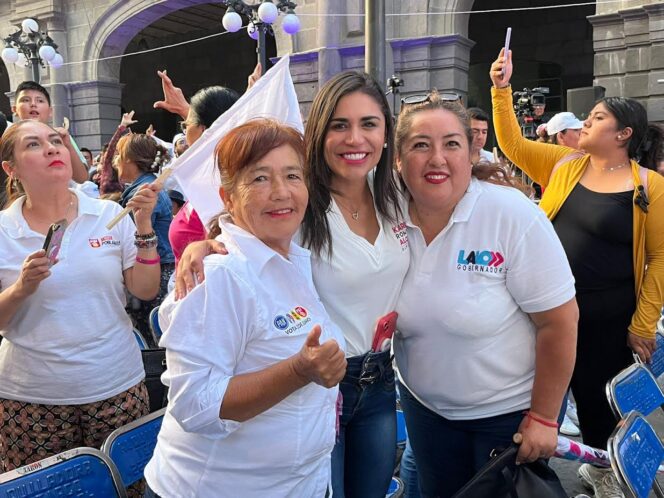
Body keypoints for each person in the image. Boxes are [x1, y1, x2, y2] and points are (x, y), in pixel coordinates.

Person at [176, 71, 408, 498]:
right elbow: (247, 231)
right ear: (319, 133)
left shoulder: (395, 196)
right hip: (320, 380)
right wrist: (204, 245)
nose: (355, 138)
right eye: (339, 125)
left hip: (379, 380)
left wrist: (483, 173)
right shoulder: (301, 206)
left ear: (385, 133)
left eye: (369, 124)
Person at [491, 48, 664, 498]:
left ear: (623, 134)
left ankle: (603, 475)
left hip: (608, 318)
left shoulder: (651, 186)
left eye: (598, 117)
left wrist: (643, 323)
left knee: (597, 404)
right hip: (547, 310)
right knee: (535, 400)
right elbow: (512, 145)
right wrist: (501, 90)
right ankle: (528, 479)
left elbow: (660, 258)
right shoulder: (565, 164)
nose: (586, 121)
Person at [143, 119, 346, 497]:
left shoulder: (292, 257)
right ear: (228, 198)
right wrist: (298, 370)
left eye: (293, 176)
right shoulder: (219, 276)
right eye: (259, 179)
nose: (281, 192)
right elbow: (195, 405)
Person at [393, 92, 578, 498]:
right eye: (420, 145)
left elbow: (559, 322)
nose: (437, 158)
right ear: (399, 160)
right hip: (426, 411)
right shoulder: (386, 213)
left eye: (451, 144)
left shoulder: (511, 214)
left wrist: (544, 417)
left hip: (506, 418)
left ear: (470, 152)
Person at [0, 120, 160, 471]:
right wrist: (22, 287)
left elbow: (145, 289)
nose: (51, 148)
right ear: (11, 169)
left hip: (116, 384)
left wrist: (145, 226)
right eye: (33, 144)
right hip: (31, 398)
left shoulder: (108, 214)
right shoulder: (3, 230)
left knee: (126, 484)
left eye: (55, 140)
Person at [116, 131, 175, 335]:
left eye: (118, 154)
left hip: (153, 273)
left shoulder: (146, 194)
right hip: (155, 269)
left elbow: (132, 240)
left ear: (129, 159)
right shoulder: (144, 189)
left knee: (151, 336)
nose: (115, 161)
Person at [12, 81, 89, 184]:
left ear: (50, 111)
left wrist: (67, 144)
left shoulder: (62, 137)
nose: (33, 104)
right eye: (26, 100)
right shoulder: (9, 140)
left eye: (40, 101)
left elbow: (82, 179)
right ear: (14, 109)